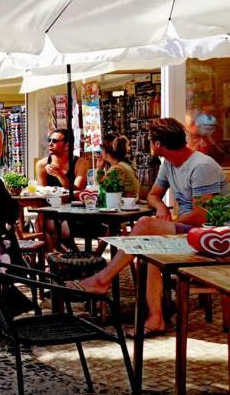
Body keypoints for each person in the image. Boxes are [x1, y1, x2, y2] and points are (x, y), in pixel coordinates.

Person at [71, 118, 228, 335]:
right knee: (149, 247)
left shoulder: (202, 166)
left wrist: (164, 223)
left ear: (158, 144)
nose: (147, 144)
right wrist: (162, 208)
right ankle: (156, 319)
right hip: (188, 232)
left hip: (213, 237)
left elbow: (203, 216)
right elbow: (153, 195)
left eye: (150, 140)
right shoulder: (169, 164)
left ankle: (102, 279)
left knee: (145, 225)